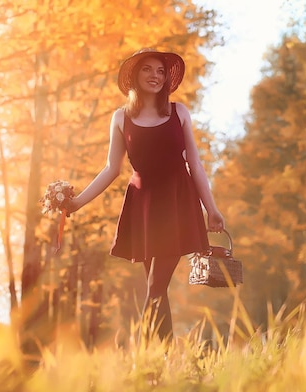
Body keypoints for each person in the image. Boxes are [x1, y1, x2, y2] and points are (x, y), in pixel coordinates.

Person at [69, 48, 224, 344]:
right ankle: (165, 360)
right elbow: (111, 169)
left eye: (160, 71)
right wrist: (77, 203)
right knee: (158, 289)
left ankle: (143, 354)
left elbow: (195, 162)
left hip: (177, 203)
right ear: (135, 76)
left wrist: (211, 209)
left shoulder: (178, 112)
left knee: (155, 286)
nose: (155, 76)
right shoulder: (120, 118)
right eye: (147, 70)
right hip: (143, 208)